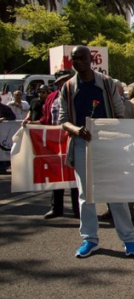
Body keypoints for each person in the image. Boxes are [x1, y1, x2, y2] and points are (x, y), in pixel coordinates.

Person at [59, 45, 134, 258]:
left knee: (115, 194)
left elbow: (120, 115)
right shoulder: (67, 87)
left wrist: (107, 130)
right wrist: (77, 130)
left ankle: (128, 239)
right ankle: (89, 239)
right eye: (74, 59)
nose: (78, 62)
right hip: (80, 145)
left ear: (91, 60)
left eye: (82, 58)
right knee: (86, 196)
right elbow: (63, 120)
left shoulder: (107, 83)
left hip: (107, 144)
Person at [23, 70, 79, 219]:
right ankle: (56, 208)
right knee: (56, 175)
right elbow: (44, 120)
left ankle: (78, 209)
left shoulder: (78, 95)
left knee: (75, 175)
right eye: (60, 81)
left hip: (73, 140)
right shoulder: (51, 98)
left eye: (65, 80)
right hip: (54, 143)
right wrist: (31, 123)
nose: (63, 83)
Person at [98, 80, 134, 221]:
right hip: (109, 146)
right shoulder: (103, 104)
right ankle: (112, 209)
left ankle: (129, 210)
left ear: (121, 90)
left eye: (115, 88)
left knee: (128, 179)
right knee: (110, 179)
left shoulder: (129, 105)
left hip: (126, 147)